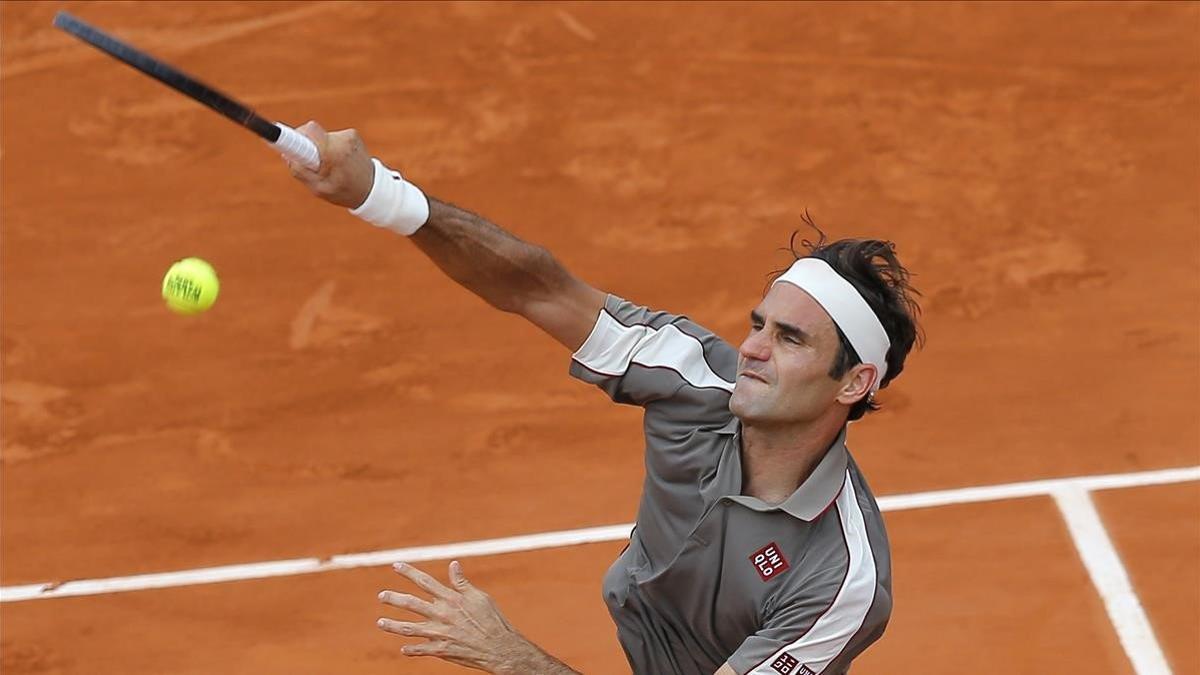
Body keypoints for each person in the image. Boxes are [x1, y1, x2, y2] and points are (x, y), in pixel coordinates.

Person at [283, 121, 922, 675]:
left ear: (853, 382)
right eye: (758, 324)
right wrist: (379, 194)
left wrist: (510, 656)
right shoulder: (696, 380)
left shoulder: (840, 581)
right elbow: (540, 289)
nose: (752, 349)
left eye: (790, 340)